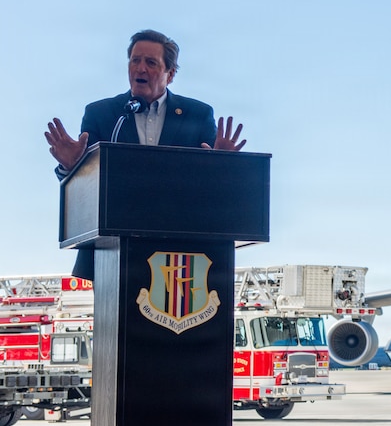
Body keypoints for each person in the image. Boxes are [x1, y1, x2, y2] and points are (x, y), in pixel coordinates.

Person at [44, 29, 246, 279]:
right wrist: (72, 166)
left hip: (182, 254)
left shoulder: (197, 114)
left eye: (151, 62)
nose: (140, 68)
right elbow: (86, 189)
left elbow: (212, 187)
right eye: (135, 60)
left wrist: (224, 165)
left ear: (170, 74)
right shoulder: (102, 113)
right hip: (111, 253)